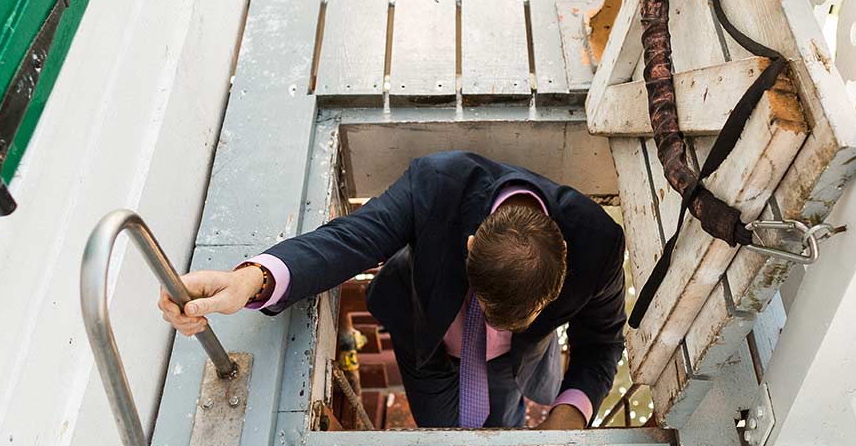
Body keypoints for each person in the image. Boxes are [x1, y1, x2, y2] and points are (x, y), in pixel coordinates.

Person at [159, 151, 626, 429]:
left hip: (512, 361)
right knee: (440, 434)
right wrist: (249, 281)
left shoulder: (600, 246)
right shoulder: (437, 182)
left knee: (504, 422)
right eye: (485, 305)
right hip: (423, 338)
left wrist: (571, 415)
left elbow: (602, 343)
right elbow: (352, 239)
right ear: (469, 248)